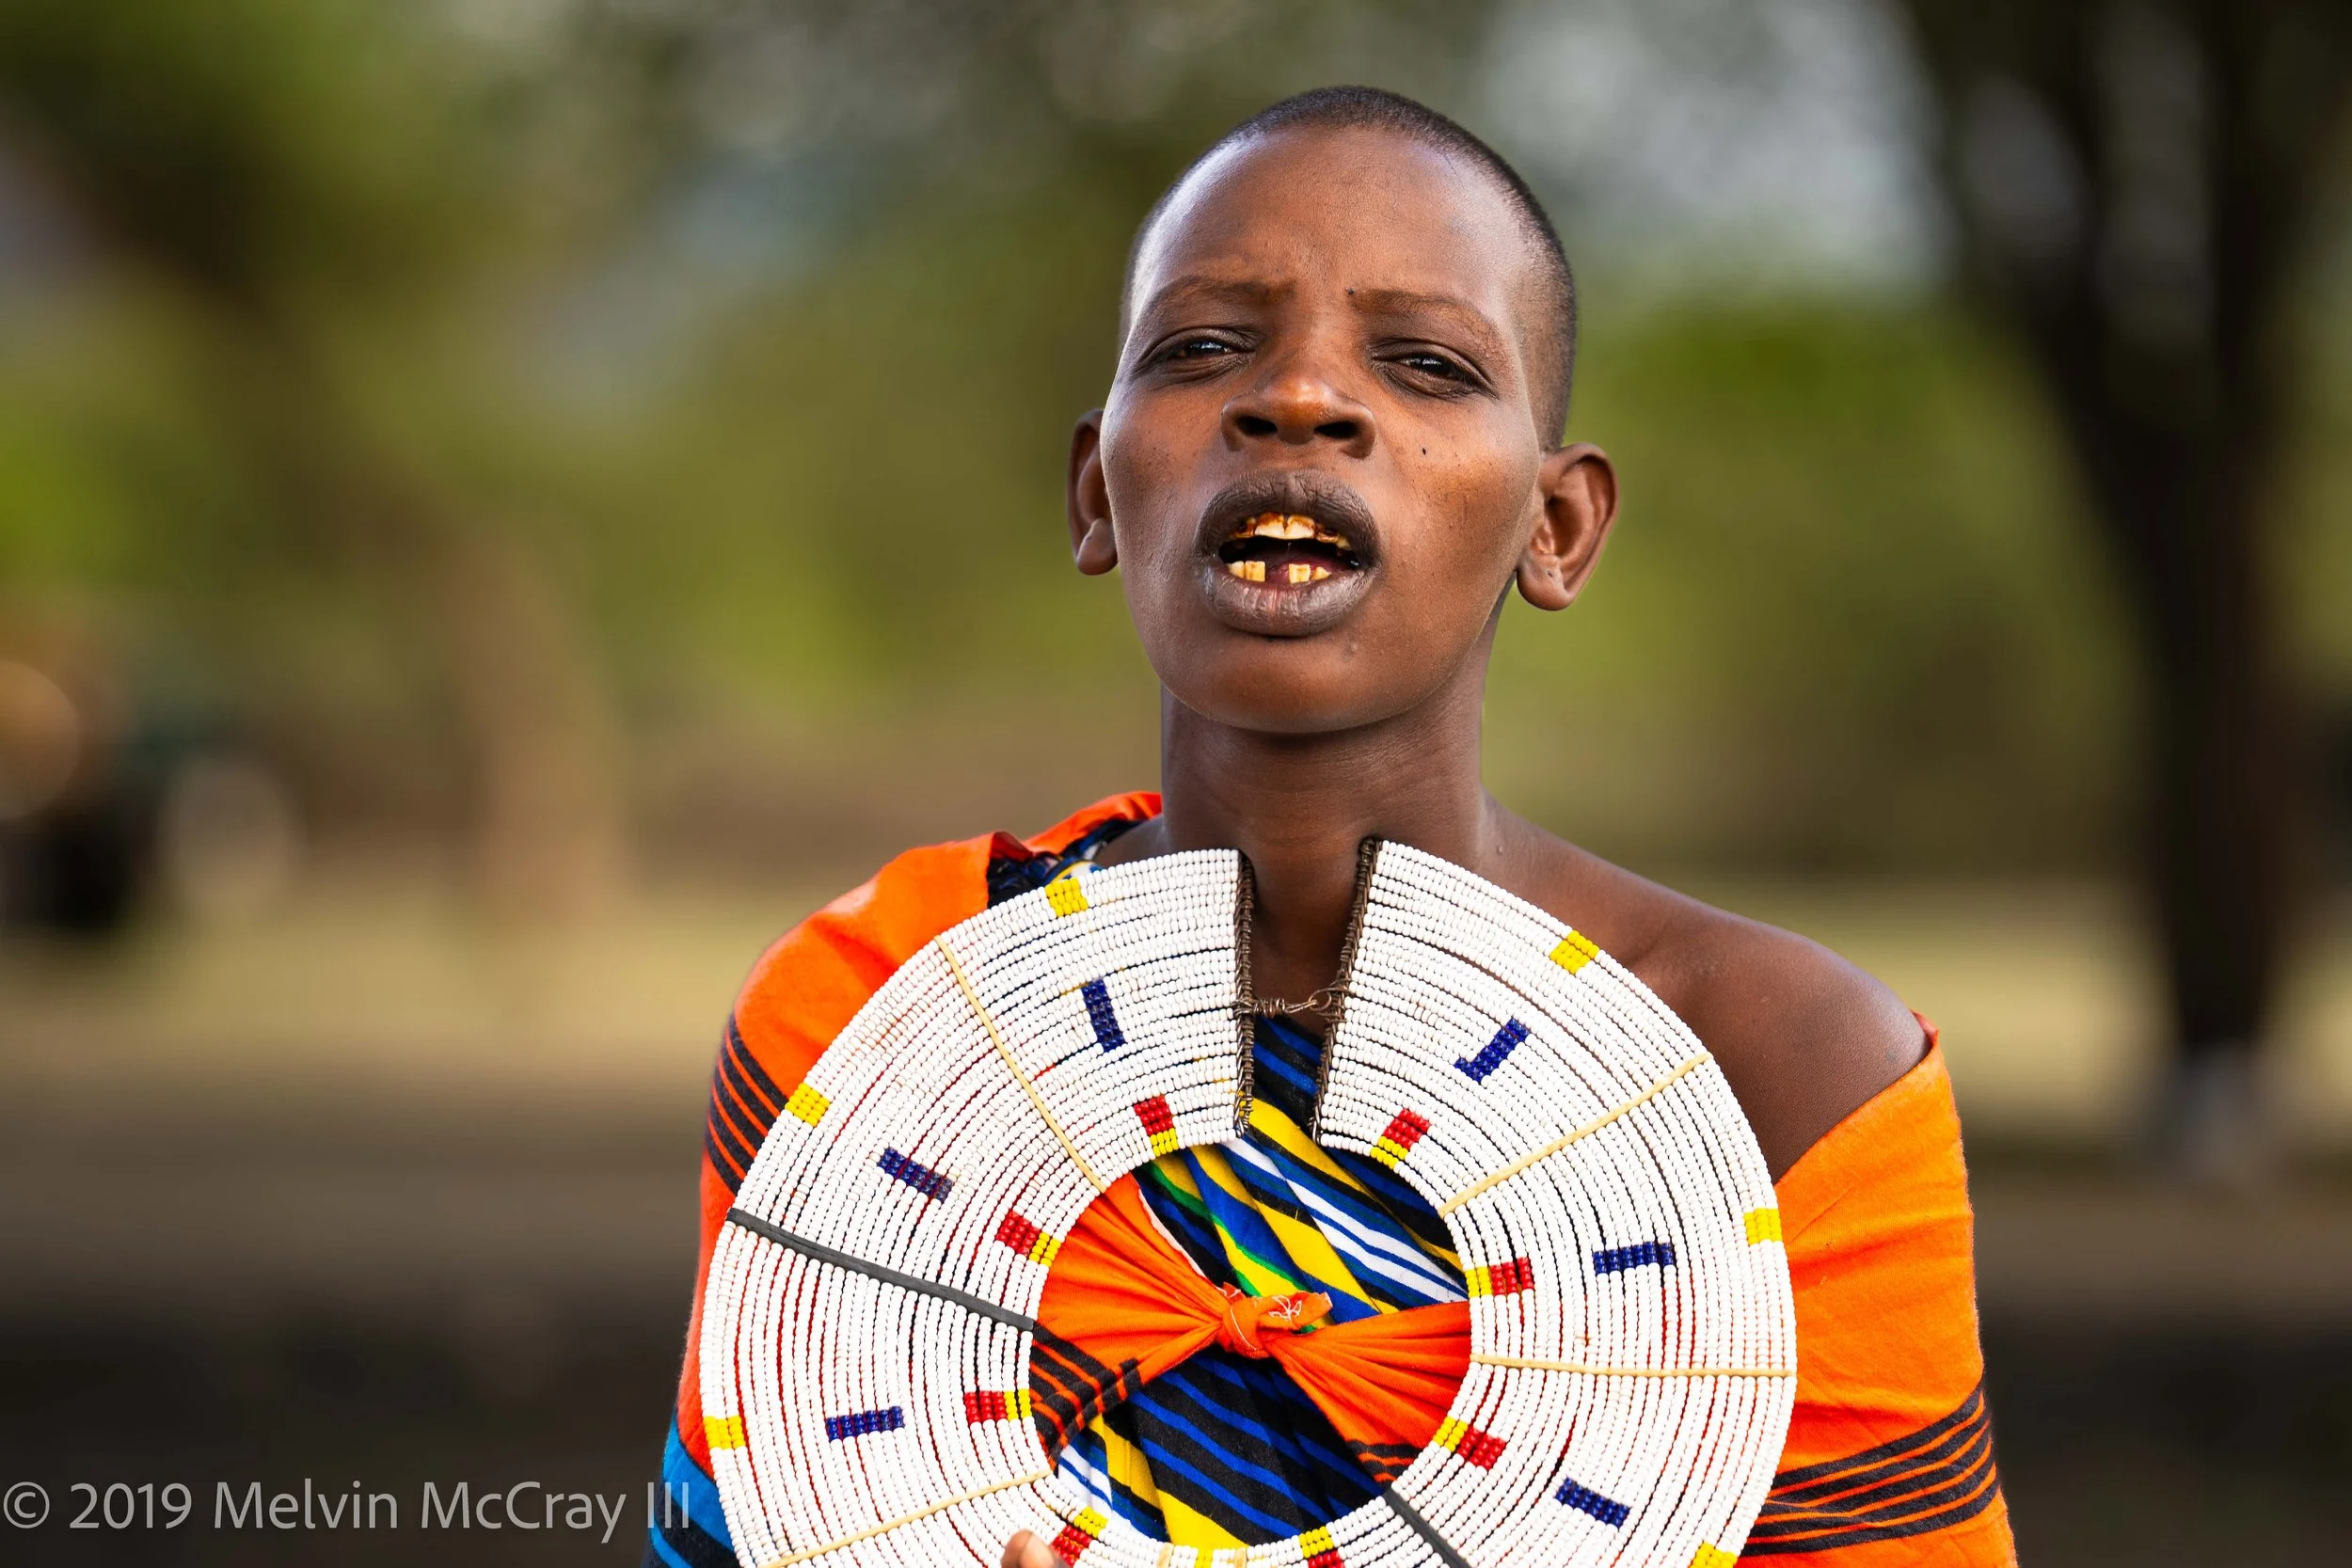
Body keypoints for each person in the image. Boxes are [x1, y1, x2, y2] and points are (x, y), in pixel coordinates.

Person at [646, 87, 2015, 1568]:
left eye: (1426, 364)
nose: (1297, 398)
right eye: (1203, 347)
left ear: (1556, 528)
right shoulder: (881, 1011)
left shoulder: (1785, 1073)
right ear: (1098, 487)